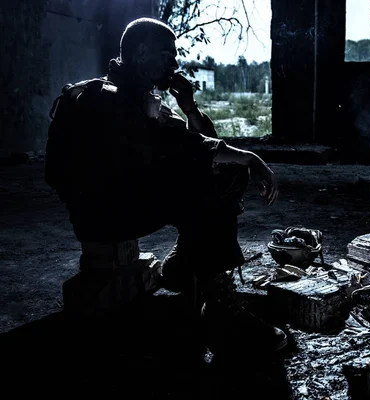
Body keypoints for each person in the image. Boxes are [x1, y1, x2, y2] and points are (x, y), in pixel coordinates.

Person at [44, 17, 287, 356]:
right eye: (167, 55)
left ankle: (183, 267)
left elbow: (201, 141)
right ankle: (218, 311)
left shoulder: (136, 95)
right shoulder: (105, 99)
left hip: (118, 204)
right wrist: (250, 158)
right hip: (103, 217)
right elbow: (192, 149)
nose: (174, 63)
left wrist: (189, 106)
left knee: (219, 171)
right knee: (218, 176)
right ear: (141, 53)